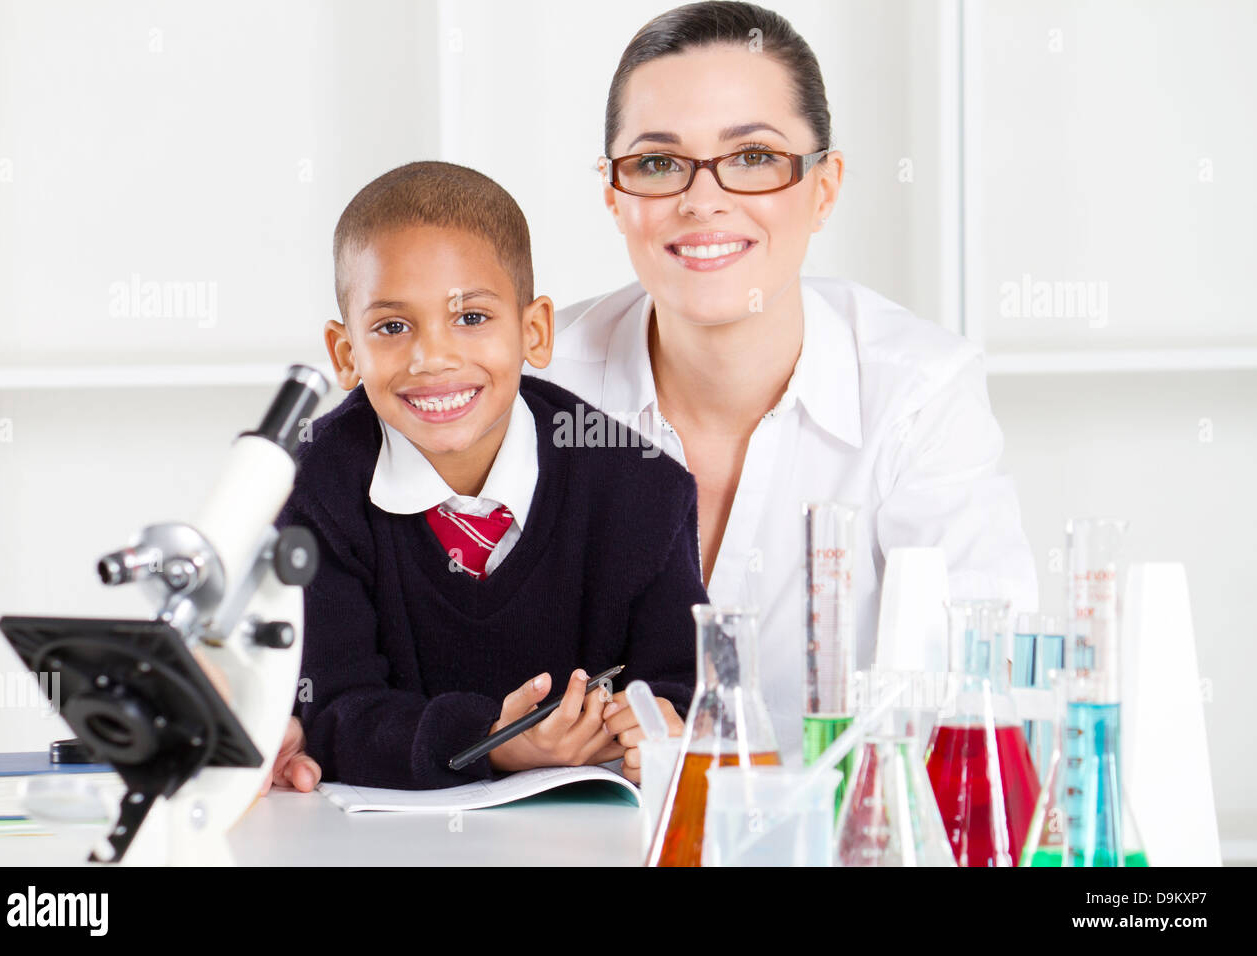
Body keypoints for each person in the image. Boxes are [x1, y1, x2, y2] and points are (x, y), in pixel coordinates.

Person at [268, 0, 1037, 787]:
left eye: (754, 156)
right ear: (613, 190)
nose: (703, 200)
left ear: (824, 185)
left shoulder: (915, 394)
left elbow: (994, 687)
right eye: (659, 163)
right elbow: (304, 589)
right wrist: (273, 720)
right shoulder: (512, 376)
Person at [270, 160, 704, 790]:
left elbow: (686, 686)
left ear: (534, 331)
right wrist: (494, 745)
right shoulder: (313, 492)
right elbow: (332, 710)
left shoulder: (642, 489)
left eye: (471, 318)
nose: (433, 358)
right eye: (392, 327)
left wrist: (660, 723)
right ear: (345, 353)